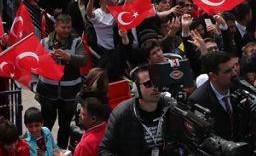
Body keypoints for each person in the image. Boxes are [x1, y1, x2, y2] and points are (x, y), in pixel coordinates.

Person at [37, 14, 88, 150]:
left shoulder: (77, 42)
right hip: (48, 94)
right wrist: (46, 59)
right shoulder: (44, 42)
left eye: (69, 27)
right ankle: (45, 151)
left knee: (65, 127)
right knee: (45, 126)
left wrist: (69, 57)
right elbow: (35, 62)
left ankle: (60, 151)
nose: (66, 30)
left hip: (69, 95)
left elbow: (84, 60)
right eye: (63, 27)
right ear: (55, 26)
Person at [99, 64, 172, 156]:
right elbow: (104, 149)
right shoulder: (121, 113)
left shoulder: (171, 107)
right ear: (136, 89)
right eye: (148, 84)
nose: (155, 87)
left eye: (156, 82)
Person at [188, 51, 242, 142]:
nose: (234, 73)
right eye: (228, 71)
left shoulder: (237, 86)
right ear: (213, 76)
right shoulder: (198, 100)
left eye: (233, 68)